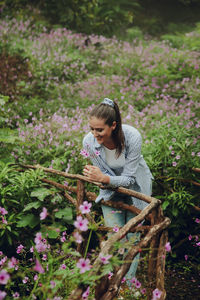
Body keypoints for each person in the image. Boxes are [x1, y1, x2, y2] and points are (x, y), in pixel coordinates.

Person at [82, 98, 153, 282]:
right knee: (116, 236)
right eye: (92, 128)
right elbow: (101, 174)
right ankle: (114, 282)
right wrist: (98, 177)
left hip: (137, 189)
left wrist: (104, 178)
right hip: (110, 192)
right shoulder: (89, 142)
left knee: (133, 239)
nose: (94, 134)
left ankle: (128, 285)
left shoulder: (132, 136)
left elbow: (129, 179)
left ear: (113, 125)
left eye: (99, 130)